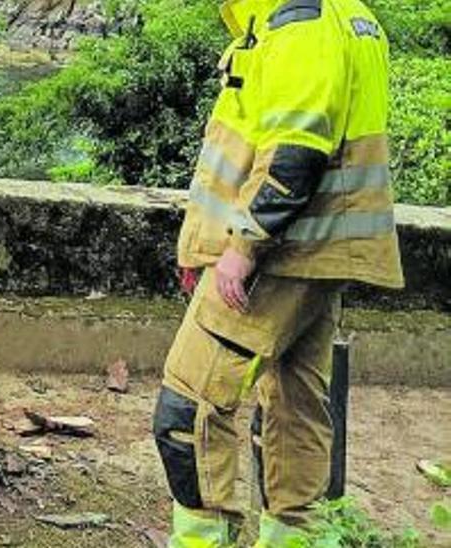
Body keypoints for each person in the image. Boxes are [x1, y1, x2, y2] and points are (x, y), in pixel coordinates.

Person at [153, 0, 403, 546]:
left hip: (278, 254)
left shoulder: (300, 20)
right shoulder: (345, 16)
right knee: (293, 412)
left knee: (187, 409)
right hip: (317, 253)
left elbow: (297, 150)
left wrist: (242, 248)